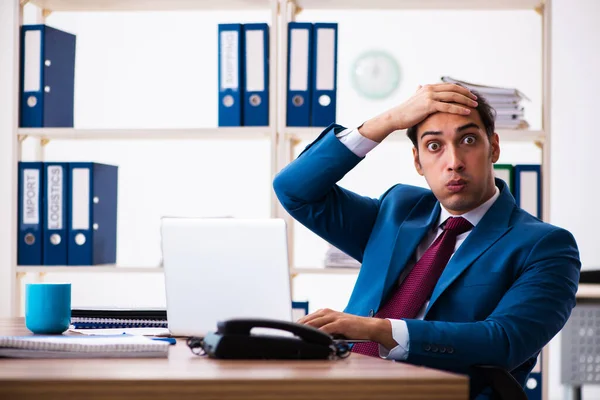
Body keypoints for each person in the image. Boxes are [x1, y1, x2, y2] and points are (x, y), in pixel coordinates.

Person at [273, 83, 580, 394]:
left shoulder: (545, 246)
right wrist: (389, 121)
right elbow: (294, 189)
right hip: (343, 387)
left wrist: (379, 331)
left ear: (494, 148)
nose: (454, 161)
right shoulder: (398, 210)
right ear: (417, 162)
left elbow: (505, 340)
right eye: (434, 146)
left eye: (469, 140)